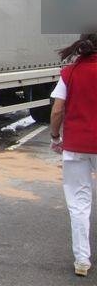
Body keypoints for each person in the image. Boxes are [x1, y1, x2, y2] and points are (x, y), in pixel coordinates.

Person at [49, 33, 97, 277]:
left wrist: (55, 137)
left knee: (79, 205)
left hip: (76, 146)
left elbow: (58, 110)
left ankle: (82, 261)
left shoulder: (71, 72)